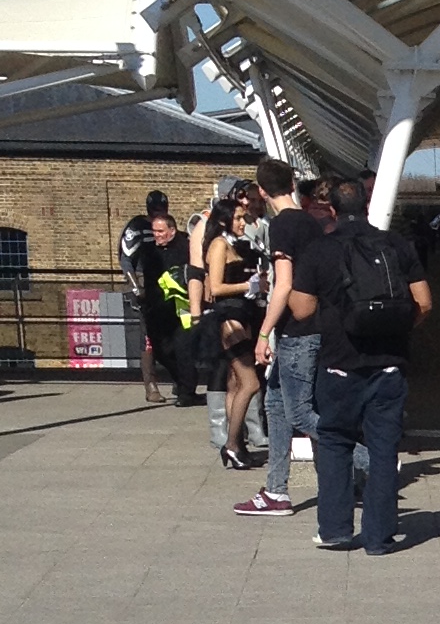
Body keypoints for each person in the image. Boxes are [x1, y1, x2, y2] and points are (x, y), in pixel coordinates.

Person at [308, 178, 430, 556]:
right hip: (390, 364)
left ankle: (335, 529)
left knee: (334, 440)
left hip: (338, 363)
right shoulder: (397, 245)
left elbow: (301, 307)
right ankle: (378, 537)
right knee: (383, 449)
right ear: (367, 204)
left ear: (331, 209)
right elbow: (424, 302)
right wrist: (395, 329)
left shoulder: (320, 249)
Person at [241, 165, 328, 519]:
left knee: (300, 413)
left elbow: (284, 284)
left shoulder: (281, 226)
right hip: (314, 326)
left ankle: (372, 460)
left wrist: (264, 333)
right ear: (292, 184)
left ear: (261, 192)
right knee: (275, 404)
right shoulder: (310, 222)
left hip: (297, 333)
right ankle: (276, 490)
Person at [197, 188, 266, 471]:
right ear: (224, 220)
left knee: (236, 383)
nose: (242, 222)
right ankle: (232, 444)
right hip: (228, 317)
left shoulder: (234, 244)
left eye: (242, 217)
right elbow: (214, 288)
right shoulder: (218, 245)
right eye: (237, 218)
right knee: (251, 382)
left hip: (242, 313)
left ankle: (237, 443)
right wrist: (247, 286)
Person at [120, 192, 194, 403]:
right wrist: (136, 288)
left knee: (176, 340)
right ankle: (151, 384)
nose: (157, 213)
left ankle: (181, 382)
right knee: (150, 339)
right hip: (146, 286)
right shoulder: (137, 227)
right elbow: (126, 259)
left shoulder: (171, 231)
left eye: (161, 209)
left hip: (170, 291)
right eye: (154, 209)